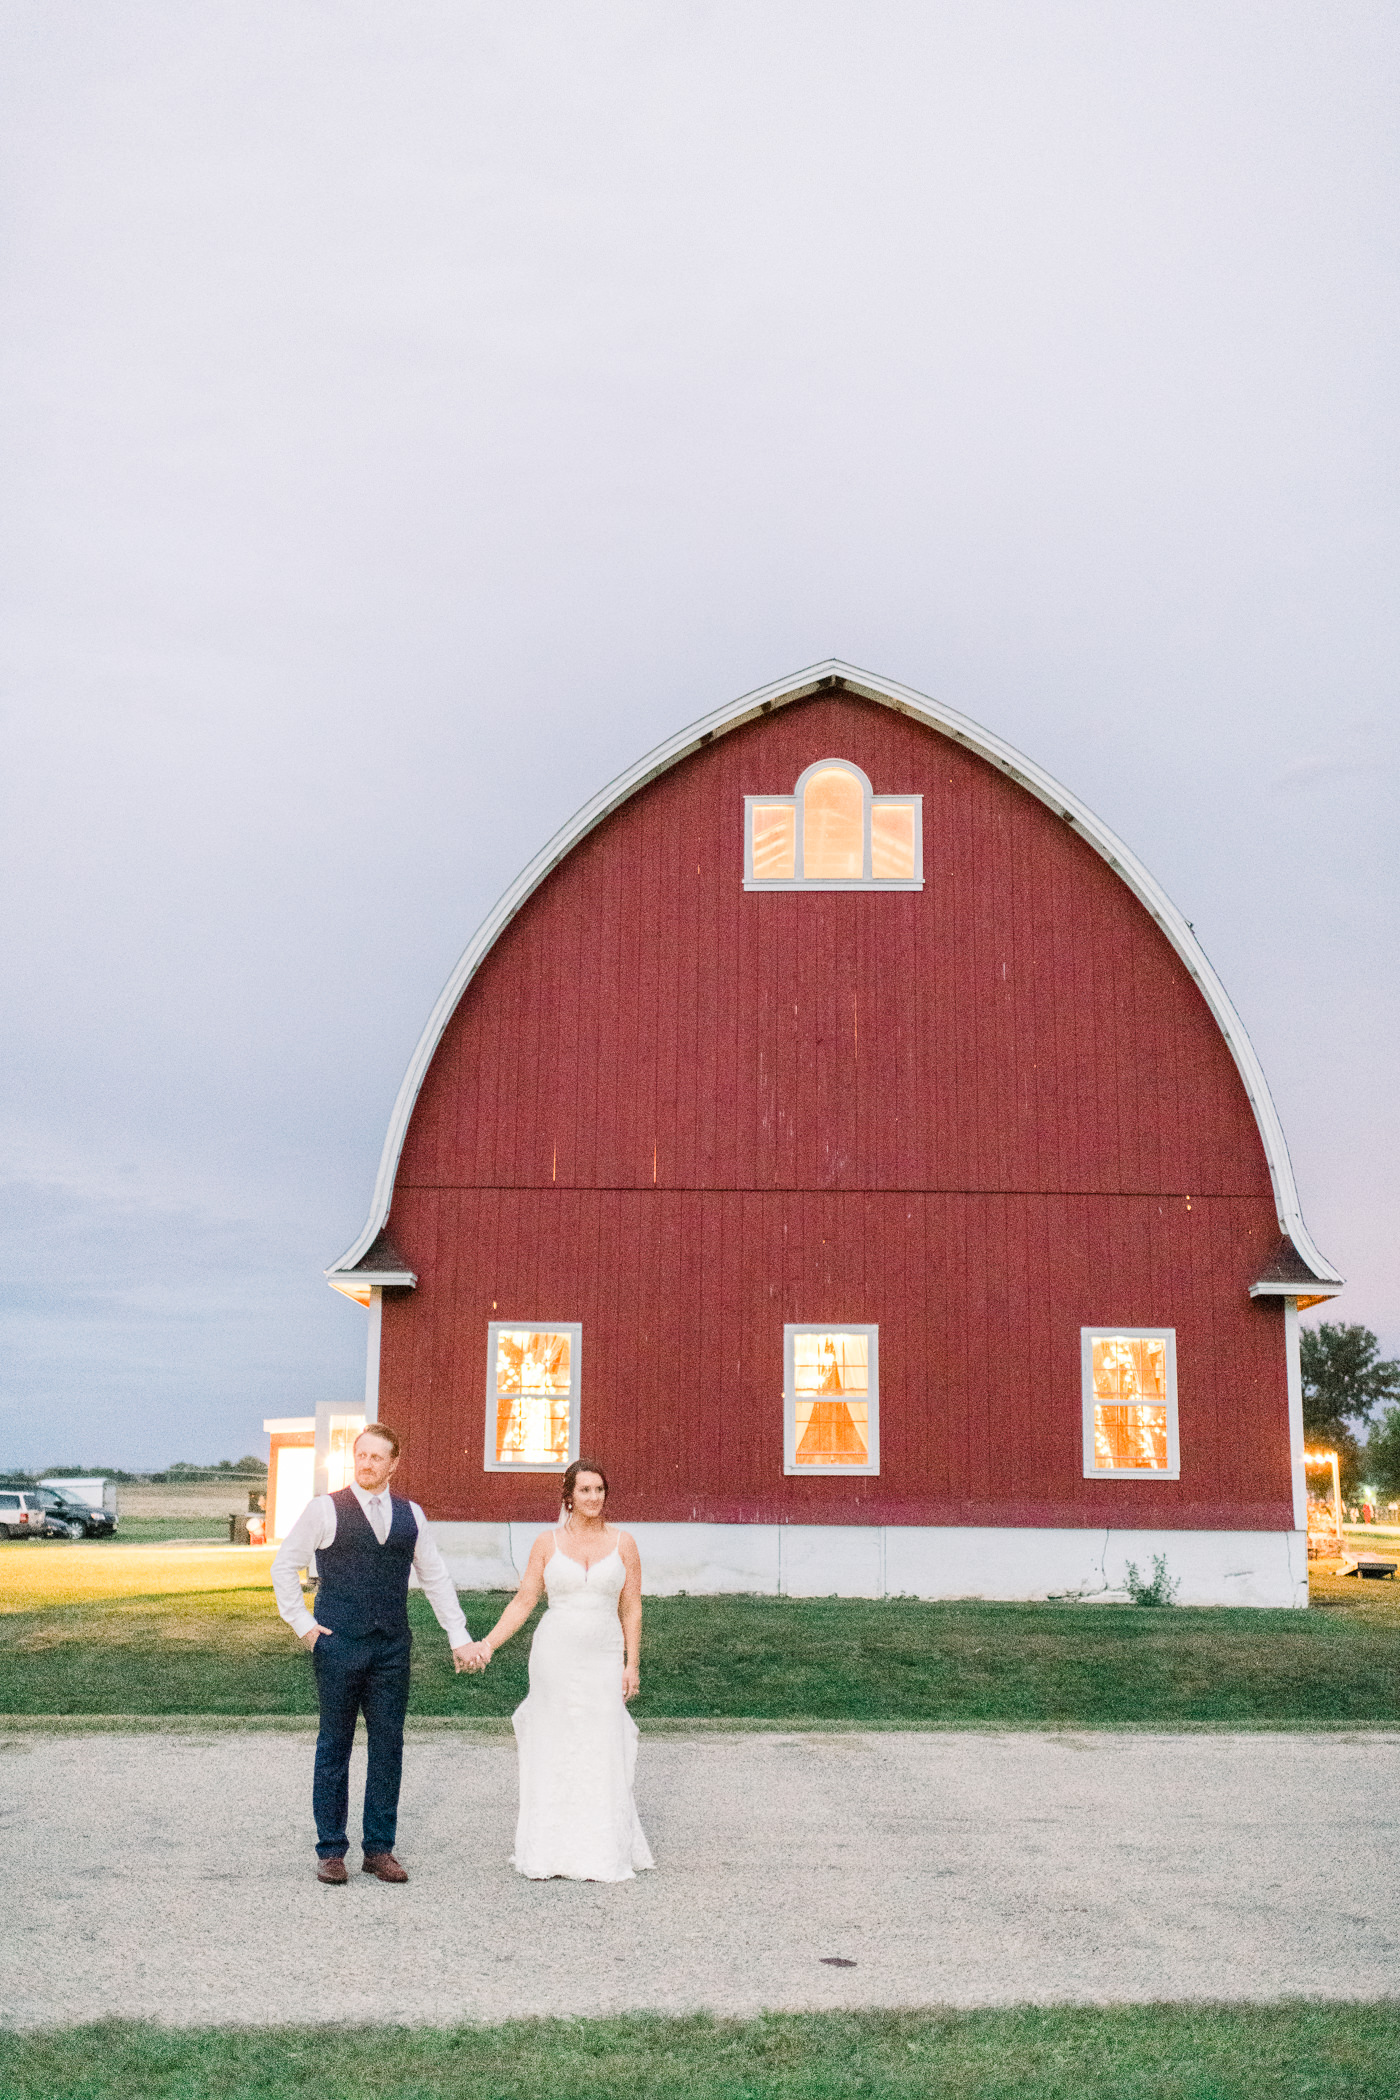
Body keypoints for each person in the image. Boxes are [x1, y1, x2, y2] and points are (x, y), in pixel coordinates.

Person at [271, 1422, 477, 1884]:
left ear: (393, 1464)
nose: (366, 1464)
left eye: (376, 1457)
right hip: (337, 1643)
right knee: (335, 1745)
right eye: (360, 1455)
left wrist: (458, 1635)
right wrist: (304, 1626)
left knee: (388, 1747)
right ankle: (331, 1850)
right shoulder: (325, 1509)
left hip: (391, 1648)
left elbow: (436, 1577)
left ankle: (379, 1849)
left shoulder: (411, 1515)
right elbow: (285, 1566)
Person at [462, 1458, 654, 1881]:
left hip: (604, 1654)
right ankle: (549, 1849)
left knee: (602, 1741)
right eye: (584, 1490)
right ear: (569, 1496)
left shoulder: (624, 1543)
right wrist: (488, 1644)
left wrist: (631, 1664)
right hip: (554, 1656)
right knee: (555, 1740)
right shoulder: (546, 1543)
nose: (593, 1497)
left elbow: (632, 1607)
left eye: (599, 1490)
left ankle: (601, 1850)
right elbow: (525, 1600)